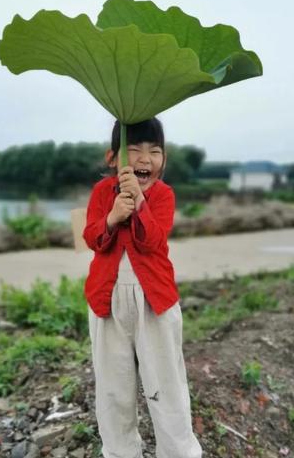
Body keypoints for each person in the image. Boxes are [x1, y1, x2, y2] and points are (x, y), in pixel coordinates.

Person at [83, 117, 202, 457]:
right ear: (112, 159)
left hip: (155, 301)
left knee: (165, 383)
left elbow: (152, 241)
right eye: (133, 150)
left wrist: (138, 203)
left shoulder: (164, 196)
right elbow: (92, 238)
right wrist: (111, 217)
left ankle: (179, 452)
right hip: (106, 301)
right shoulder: (101, 193)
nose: (144, 159)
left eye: (154, 151)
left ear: (163, 161)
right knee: (113, 386)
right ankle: (120, 451)